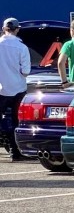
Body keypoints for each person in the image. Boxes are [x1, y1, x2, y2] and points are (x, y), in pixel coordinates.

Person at [0, 17, 32, 162]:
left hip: (1, 89)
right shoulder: (22, 47)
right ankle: (15, 152)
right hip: (18, 89)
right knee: (16, 121)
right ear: (17, 29)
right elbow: (26, 72)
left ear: (3, 29)